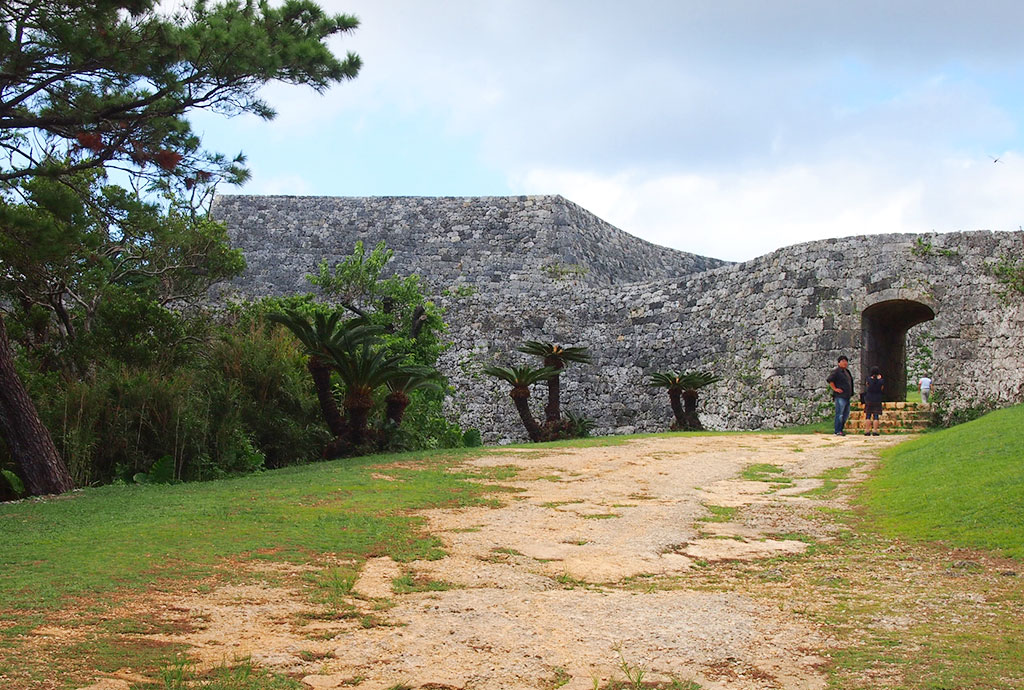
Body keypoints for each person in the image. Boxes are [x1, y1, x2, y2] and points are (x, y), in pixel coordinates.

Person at [826, 355, 855, 436]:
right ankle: (837, 430)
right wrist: (835, 389)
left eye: (846, 361)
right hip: (840, 396)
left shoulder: (847, 372)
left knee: (845, 414)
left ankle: (841, 430)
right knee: (840, 414)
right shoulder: (836, 371)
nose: (845, 363)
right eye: (843, 361)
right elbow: (830, 380)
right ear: (839, 363)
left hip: (847, 396)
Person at [863, 367, 885, 436]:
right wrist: (880, 379)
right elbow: (882, 388)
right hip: (877, 398)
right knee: (876, 415)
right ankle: (875, 430)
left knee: (868, 415)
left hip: (869, 398)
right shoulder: (881, 381)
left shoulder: (868, 379)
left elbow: (867, 386)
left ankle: (867, 430)